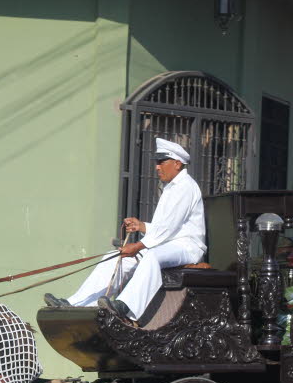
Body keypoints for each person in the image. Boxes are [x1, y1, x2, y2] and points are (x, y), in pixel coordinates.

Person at [44, 138, 206, 326]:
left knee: (152, 256)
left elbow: (168, 229)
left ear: (177, 164)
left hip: (187, 247)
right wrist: (141, 226)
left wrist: (137, 246)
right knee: (114, 256)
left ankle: (126, 307)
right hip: (168, 242)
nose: (157, 167)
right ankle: (75, 303)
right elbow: (165, 228)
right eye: (156, 162)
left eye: (161, 162)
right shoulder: (171, 187)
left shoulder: (185, 187)